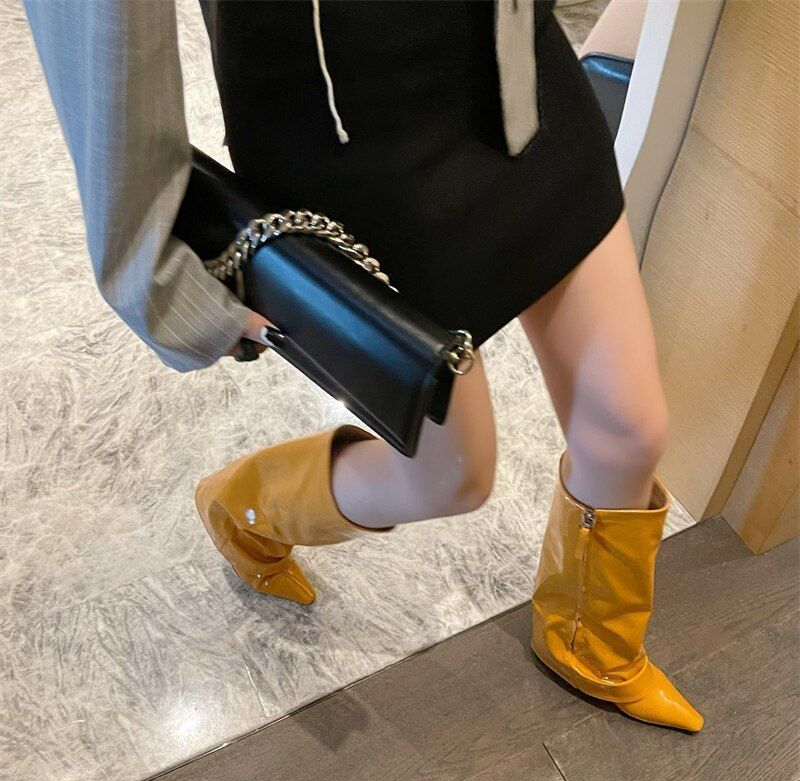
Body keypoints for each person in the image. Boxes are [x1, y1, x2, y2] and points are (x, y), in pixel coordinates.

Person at [23, 0, 703, 733]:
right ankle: (246, 507)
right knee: (451, 478)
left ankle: (591, 646)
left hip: (521, 70)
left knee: (628, 430)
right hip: (348, 134)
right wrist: (159, 276)